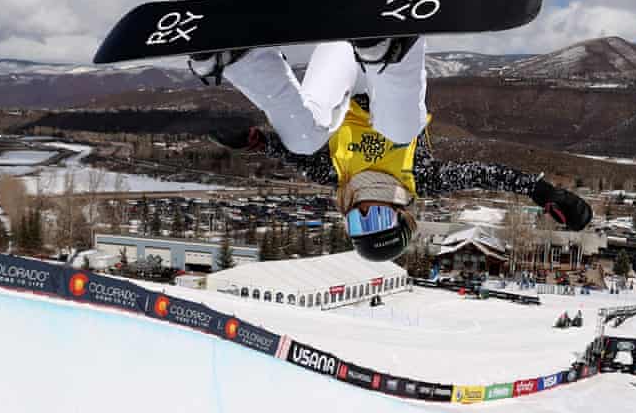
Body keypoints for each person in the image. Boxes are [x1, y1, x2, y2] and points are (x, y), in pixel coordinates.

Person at [189, 37, 592, 261]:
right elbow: (489, 174)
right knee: (399, 129)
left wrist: (253, 141)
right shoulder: (419, 179)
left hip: (342, 63)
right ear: (400, 213)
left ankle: (242, 60)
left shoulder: (334, 176)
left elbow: (282, 151)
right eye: (377, 218)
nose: (364, 212)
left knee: (305, 138)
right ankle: (392, 47)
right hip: (382, 77)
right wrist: (544, 193)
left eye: (359, 225)